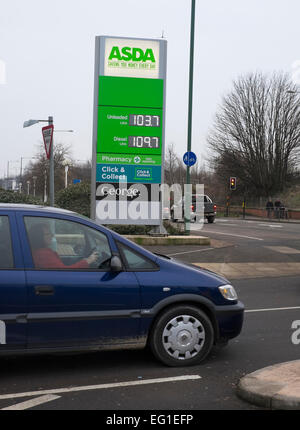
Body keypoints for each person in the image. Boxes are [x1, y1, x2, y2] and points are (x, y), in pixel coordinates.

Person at [28, 224, 99, 269]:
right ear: (39, 237)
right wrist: (87, 261)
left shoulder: (38, 252)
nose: (52, 235)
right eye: (48, 234)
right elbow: (65, 271)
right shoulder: (43, 255)